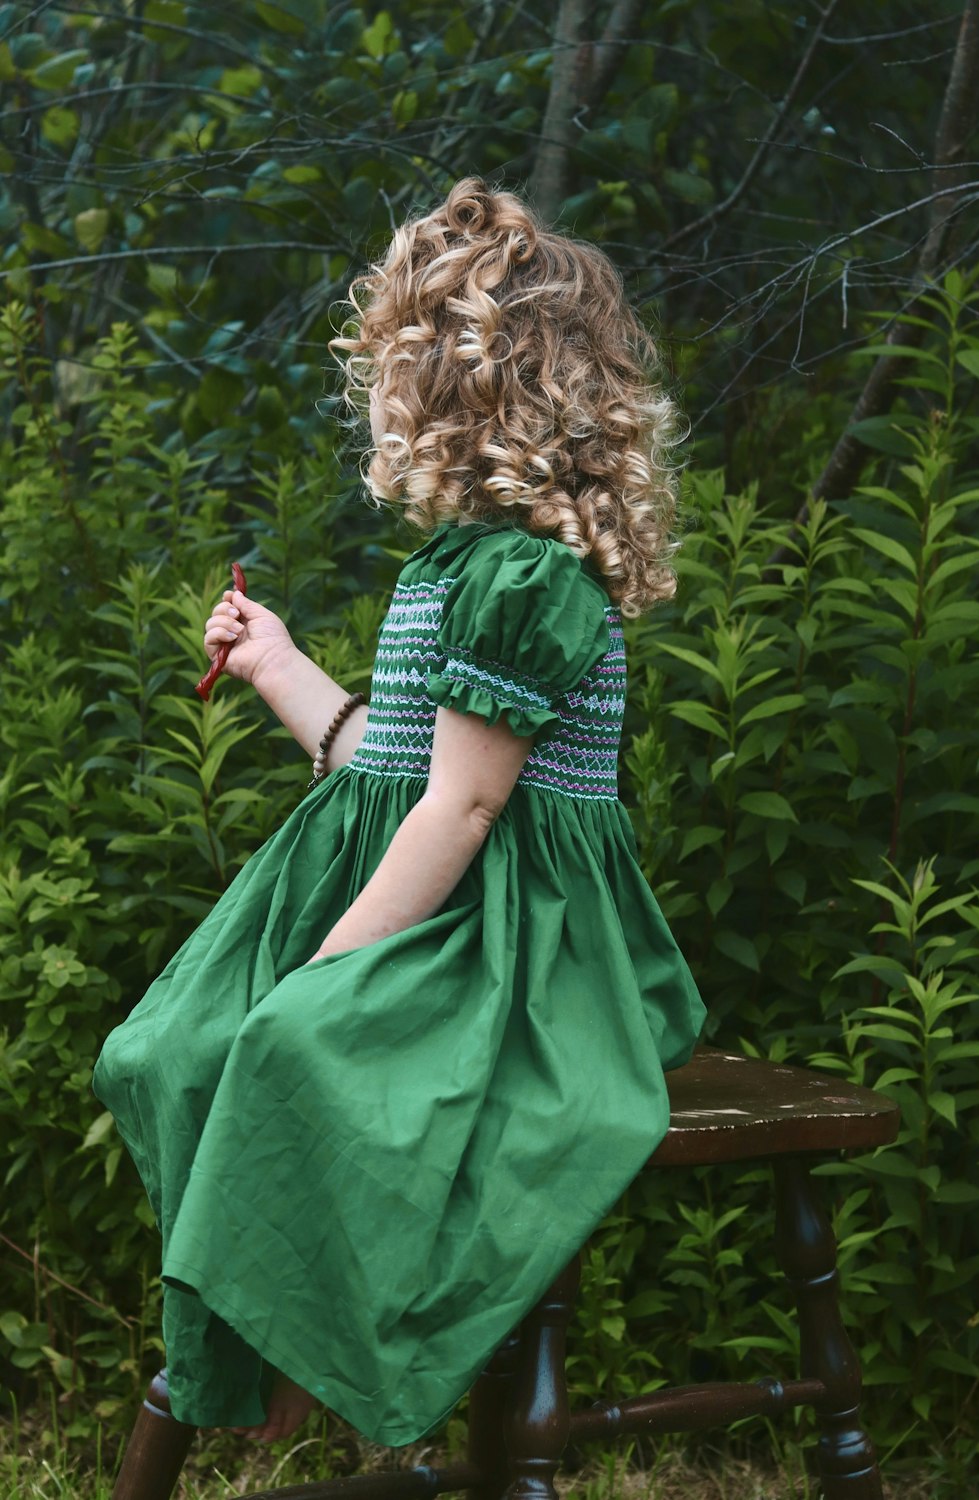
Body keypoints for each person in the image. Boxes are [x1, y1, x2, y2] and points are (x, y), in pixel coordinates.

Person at [92, 177, 707, 1449]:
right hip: (444, 909)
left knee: (294, 1046)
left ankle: (320, 1370)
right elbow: (404, 762)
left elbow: (469, 807)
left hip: (514, 950)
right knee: (171, 1047)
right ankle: (262, 1356)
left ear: (468, 388)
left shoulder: (526, 578)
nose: (375, 391)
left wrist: (330, 968)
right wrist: (278, 669)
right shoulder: (469, 563)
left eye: (392, 364)